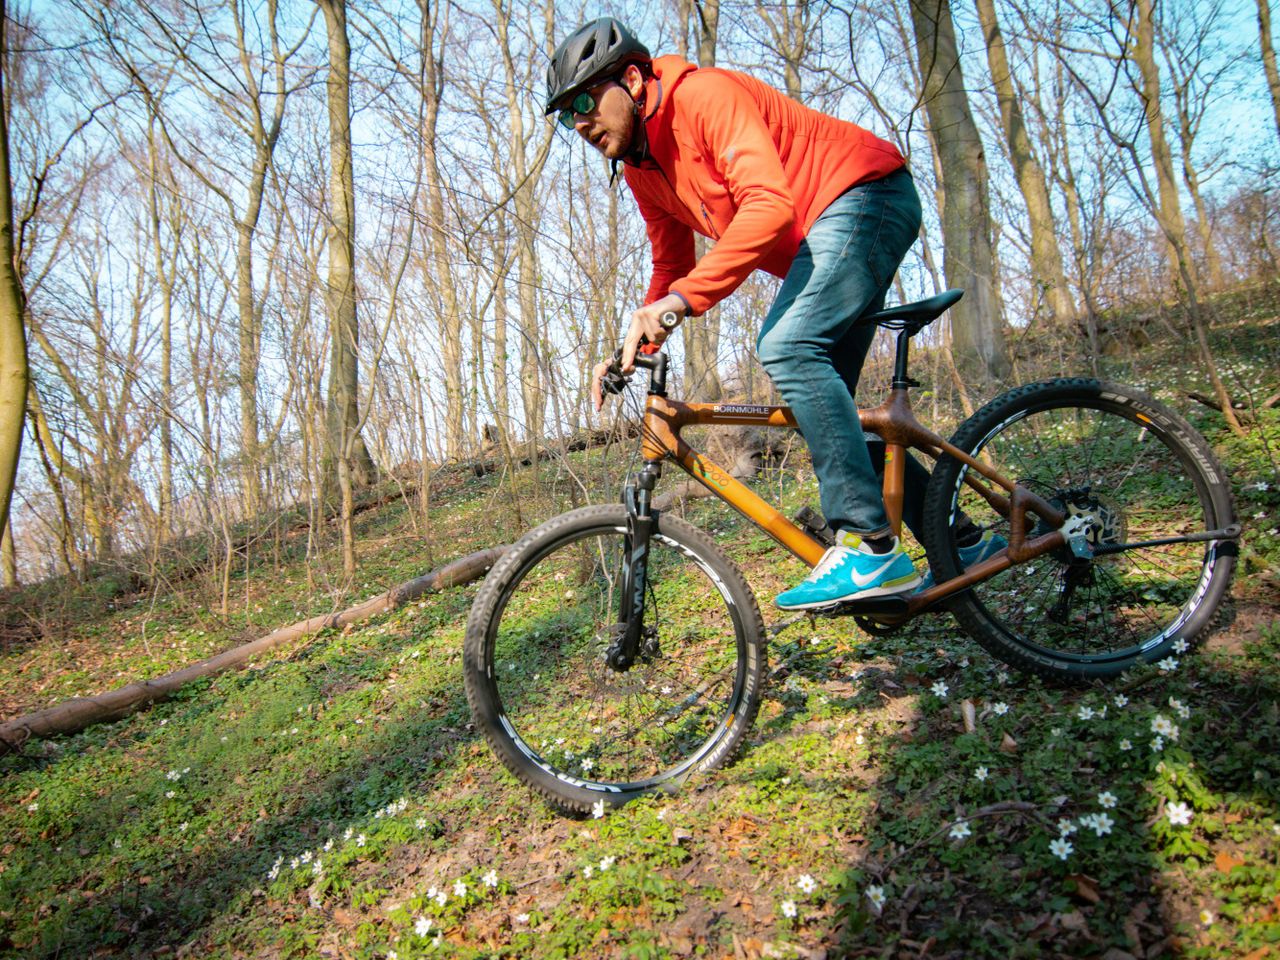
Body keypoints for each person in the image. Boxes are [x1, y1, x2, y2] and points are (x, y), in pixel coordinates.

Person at [547, 18, 1001, 609]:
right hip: (825, 241)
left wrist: (679, 304)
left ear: (631, 79)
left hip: (864, 196)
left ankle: (869, 546)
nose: (580, 121)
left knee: (786, 347)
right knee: (828, 413)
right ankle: (960, 544)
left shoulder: (702, 96)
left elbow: (769, 207)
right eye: (566, 115)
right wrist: (640, 339)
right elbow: (671, 265)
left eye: (585, 101)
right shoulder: (642, 169)